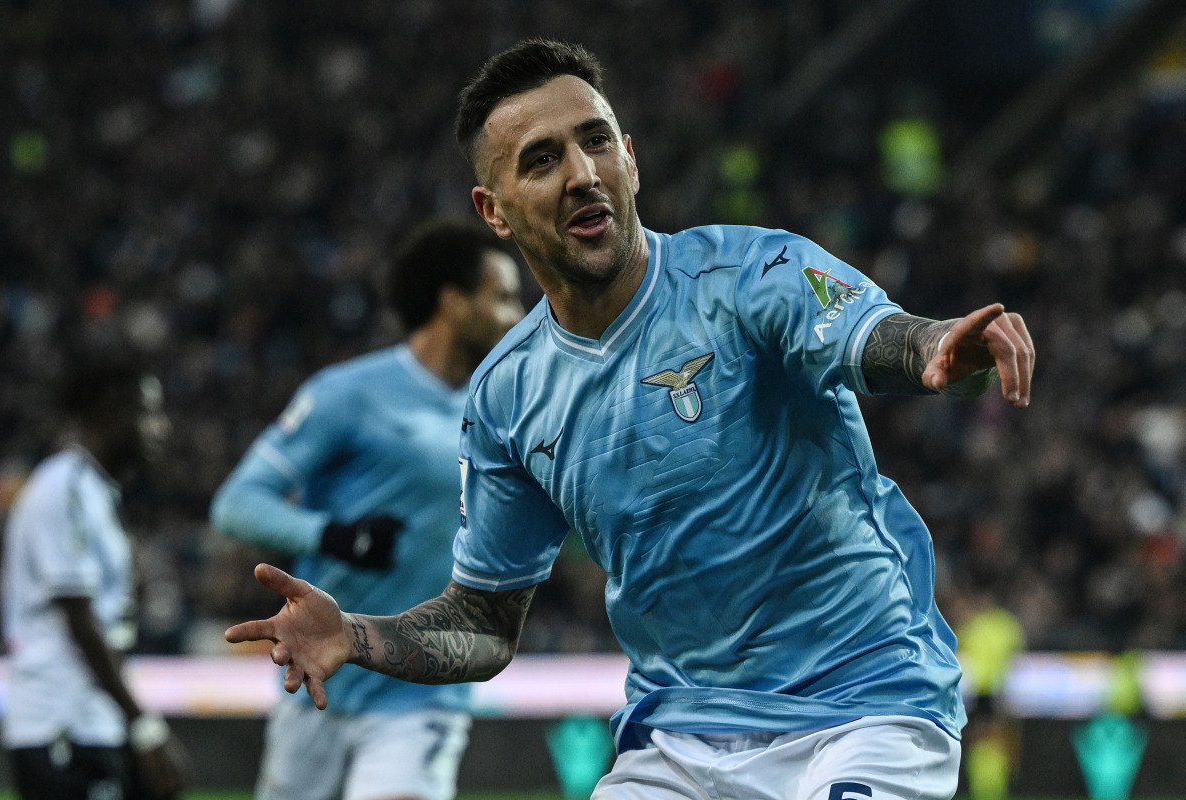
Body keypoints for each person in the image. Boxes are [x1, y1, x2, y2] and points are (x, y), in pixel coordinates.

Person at [226, 39, 1036, 800]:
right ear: (494, 210)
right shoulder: (508, 394)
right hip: (680, 741)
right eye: (542, 159)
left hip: (864, 707)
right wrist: (355, 636)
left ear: (631, 158)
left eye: (596, 141)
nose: (582, 173)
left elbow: (876, 338)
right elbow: (483, 622)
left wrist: (937, 346)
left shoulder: (750, 273)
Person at [210, 217, 524, 800]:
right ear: (453, 303)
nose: (518, 316)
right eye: (503, 297)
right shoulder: (349, 394)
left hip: (426, 689)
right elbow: (237, 504)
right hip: (318, 675)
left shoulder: (509, 412)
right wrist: (334, 537)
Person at [1, 359, 190, 800]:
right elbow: (81, 624)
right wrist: (144, 727)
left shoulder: (95, 491)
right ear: (109, 413)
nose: (160, 428)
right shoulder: (63, 489)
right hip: (60, 724)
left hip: (92, 719)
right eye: (148, 412)